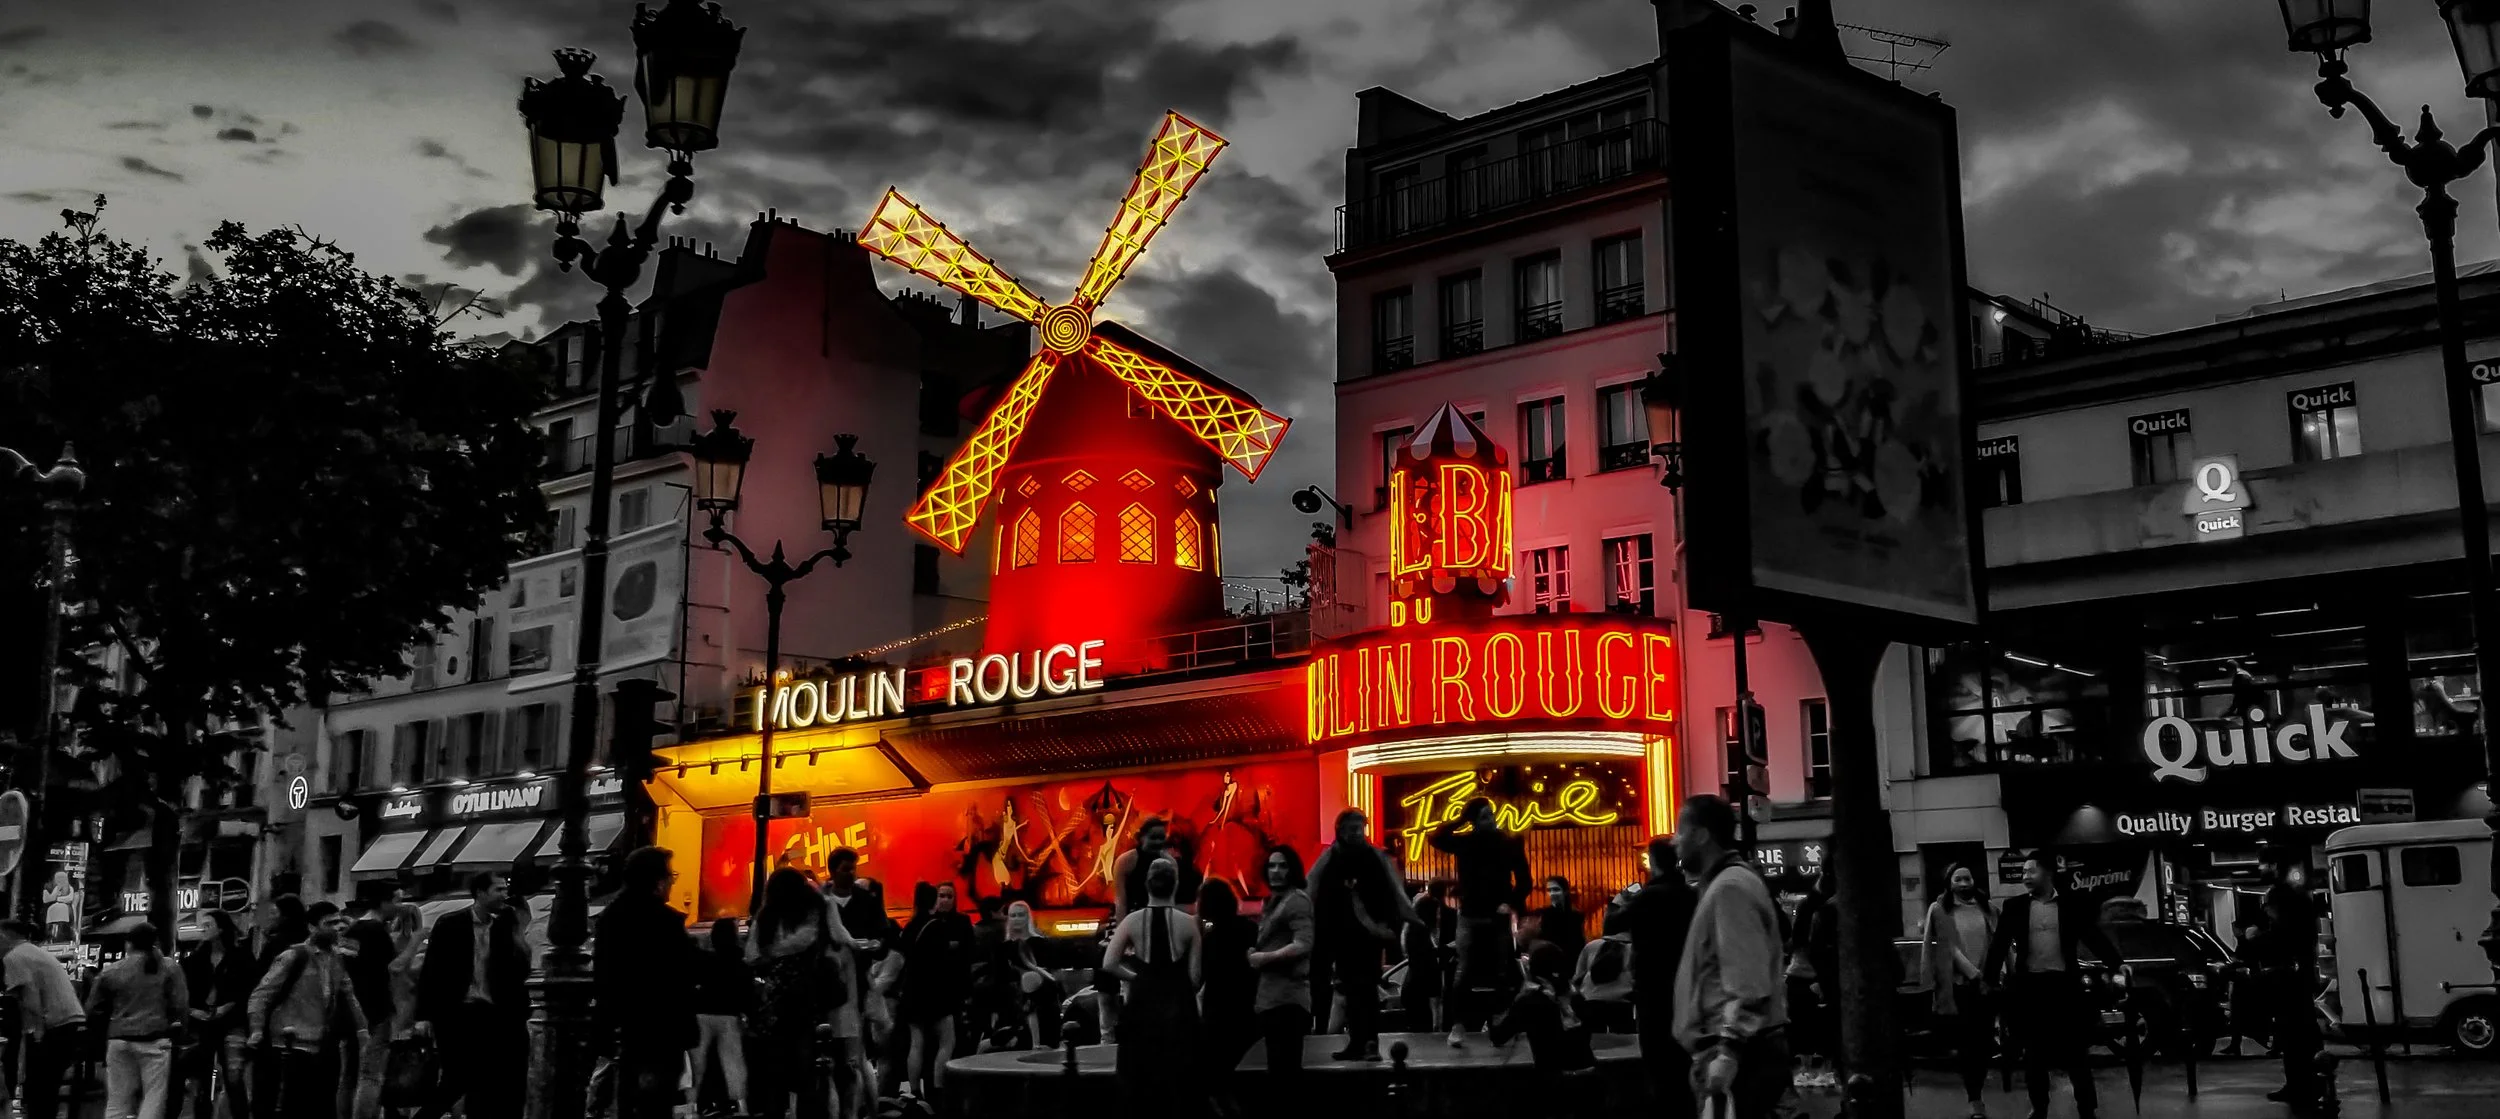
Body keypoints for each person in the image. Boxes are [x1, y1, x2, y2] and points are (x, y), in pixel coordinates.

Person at [1670, 796, 1788, 1119]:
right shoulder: (1726, 885)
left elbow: (1748, 982)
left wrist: (1728, 1052)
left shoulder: (1729, 889)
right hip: (1737, 1053)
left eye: (1681, 830)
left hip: (1738, 1058)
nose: (1675, 840)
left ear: (1702, 835)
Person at [1983, 853, 2121, 1119]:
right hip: (2031, 989)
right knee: (2034, 1054)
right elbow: (1999, 944)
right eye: (2023, 872)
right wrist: (1989, 980)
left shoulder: (2070, 905)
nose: (2025, 877)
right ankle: (2039, 1107)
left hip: (2064, 988)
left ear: (2048, 873)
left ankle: (2087, 1108)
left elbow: (2093, 937)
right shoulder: (2015, 906)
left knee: (2076, 1052)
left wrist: (2117, 963)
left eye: (2031, 871)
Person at [411, 873, 529, 1119]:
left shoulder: (503, 926)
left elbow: (519, 969)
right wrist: (423, 1016)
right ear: (480, 893)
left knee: (485, 1082)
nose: (504, 895)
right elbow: (432, 971)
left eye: (505, 889)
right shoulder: (451, 924)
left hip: (493, 1013)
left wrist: (516, 929)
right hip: (457, 1013)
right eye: (498, 890)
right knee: (456, 1078)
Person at [595, 847, 699, 1119]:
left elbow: (604, 976)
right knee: (656, 1101)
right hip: (662, 1027)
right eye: (671, 876)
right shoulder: (665, 922)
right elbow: (685, 971)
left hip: (628, 1026)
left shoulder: (611, 918)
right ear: (658, 882)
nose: (672, 883)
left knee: (632, 1098)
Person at [1308, 808, 1417, 1060]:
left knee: (1365, 990)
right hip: (1342, 935)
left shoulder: (1372, 858)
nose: (1357, 833)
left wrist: (1387, 926)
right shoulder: (1332, 858)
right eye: (1352, 829)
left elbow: (1390, 894)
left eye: (1359, 828)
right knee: (1350, 990)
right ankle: (1358, 1042)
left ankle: (1368, 1042)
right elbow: (1318, 892)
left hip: (1368, 936)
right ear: (1341, 831)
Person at [248, 903, 369, 1119]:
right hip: (292, 1042)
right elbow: (262, 994)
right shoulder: (294, 956)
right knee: (293, 1105)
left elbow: (348, 993)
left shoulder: (336, 958)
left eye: (339, 921)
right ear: (312, 927)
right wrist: (256, 1029)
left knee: (322, 1105)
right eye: (329, 923)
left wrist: (362, 1030)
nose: (336, 927)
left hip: (322, 1042)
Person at [1606, 835, 1697, 1119]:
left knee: (1657, 1059)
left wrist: (1619, 901)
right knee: (1682, 1058)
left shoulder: (1648, 896)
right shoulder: (1691, 894)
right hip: (1686, 984)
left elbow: (1611, 925)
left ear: (1653, 861)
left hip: (1652, 986)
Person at [748, 867, 851, 1119]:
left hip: (774, 1001)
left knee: (774, 1071)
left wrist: (772, 954)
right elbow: (817, 938)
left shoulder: (766, 918)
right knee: (807, 1069)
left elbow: (751, 955)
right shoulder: (812, 913)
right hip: (806, 998)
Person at [1430, 798, 1531, 1045]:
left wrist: (1510, 902)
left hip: (1490, 915)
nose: (1491, 820)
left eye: (1491, 815)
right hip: (1473, 914)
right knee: (1466, 971)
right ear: (1474, 821)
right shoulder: (1468, 842)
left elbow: (1525, 881)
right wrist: (1462, 819)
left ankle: (1497, 1020)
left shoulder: (1506, 843)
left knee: (1500, 969)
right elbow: (1436, 838)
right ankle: (1460, 1024)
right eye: (1485, 816)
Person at [1102, 857, 1202, 1107]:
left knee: (1141, 1079)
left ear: (1147, 885)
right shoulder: (1190, 923)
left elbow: (1109, 963)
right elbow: (1195, 976)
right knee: (1179, 1079)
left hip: (1142, 1006)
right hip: (1179, 1009)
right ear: (1175, 884)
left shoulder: (1131, 921)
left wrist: (1139, 978)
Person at [89, 922, 191, 1119]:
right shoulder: (168, 967)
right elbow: (180, 1004)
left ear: (129, 944)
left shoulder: (112, 970)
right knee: (153, 1098)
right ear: (155, 943)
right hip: (154, 1039)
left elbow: (93, 1008)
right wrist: (181, 1032)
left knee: (117, 1101)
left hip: (118, 1038)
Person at [1921, 864, 1999, 1119]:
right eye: (1958, 879)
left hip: (1987, 987)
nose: (1964, 883)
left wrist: (1995, 976)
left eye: (1968, 878)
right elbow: (1945, 947)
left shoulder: (1988, 908)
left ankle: (1978, 1088)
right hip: (1960, 987)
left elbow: (1997, 944)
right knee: (1968, 1046)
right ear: (1949, 883)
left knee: (1984, 1045)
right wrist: (1973, 974)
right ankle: (1975, 1099)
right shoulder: (1940, 909)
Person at [1489, 943, 1598, 1116]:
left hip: (1552, 1083)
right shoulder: (1576, 996)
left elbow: (1499, 1036)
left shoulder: (1530, 1000)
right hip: (1590, 1077)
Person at [2, 918, 90, 1119]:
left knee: (38, 1090)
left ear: (4, 936)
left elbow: (30, 998)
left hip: (54, 1026)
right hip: (71, 1022)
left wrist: (35, 1034)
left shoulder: (14, 957)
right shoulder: (34, 952)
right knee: (47, 1089)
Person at [178, 909, 260, 1119]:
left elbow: (250, 988)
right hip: (203, 1023)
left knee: (234, 1076)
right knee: (202, 1078)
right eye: (202, 926)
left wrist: (229, 1005)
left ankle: (240, 1114)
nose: (203, 930)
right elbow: (183, 991)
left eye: (208, 925)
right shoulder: (195, 959)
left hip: (232, 1021)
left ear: (221, 928)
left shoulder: (240, 957)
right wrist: (193, 1011)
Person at [897, 881, 974, 1103]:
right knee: (947, 1041)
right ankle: (939, 1087)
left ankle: (914, 1090)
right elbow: (944, 961)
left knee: (916, 1043)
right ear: (933, 900)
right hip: (937, 992)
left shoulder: (910, 926)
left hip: (913, 992)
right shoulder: (938, 927)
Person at [2250, 882, 2324, 1108]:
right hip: (2299, 987)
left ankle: (2300, 1085)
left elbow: (2268, 946)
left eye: (2268, 906)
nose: (2266, 910)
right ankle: (2307, 1083)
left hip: (2290, 988)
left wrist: (2253, 937)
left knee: (2294, 1039)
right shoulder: (2303, 925)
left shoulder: (2286, 929)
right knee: (2301, 1037)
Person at [1247, 847, 1315, 1085]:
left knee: (1285, 1073)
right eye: (1272, 865)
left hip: (1288, 1001)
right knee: (1278, 1071)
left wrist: (1263, 958)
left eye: (1282, 865)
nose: (1276, 871)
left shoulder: (1296, 901)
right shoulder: (1275, 901)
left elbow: (1303, 944)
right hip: (1273, 999)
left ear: (1292, 870)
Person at [1196, 879, 1259, 1094]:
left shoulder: (1210, 940)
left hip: (1218, 1010)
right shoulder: (1251, 929)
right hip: (1247, 1005)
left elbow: (1200, 976)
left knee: (1215, 1073)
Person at [336, 901, 397, 1119]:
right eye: (397, 900)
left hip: (350, 1011)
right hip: (376, 1009)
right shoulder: (377, 930)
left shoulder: (352, 932)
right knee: (371, 1074)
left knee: (349, 1074)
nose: (399, 906)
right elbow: (395, 967)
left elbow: (344, 967)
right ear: (385, 901)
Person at [689, 918, 754, 1118]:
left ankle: (691, 1108)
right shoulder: (741, 964)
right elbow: (747, 995)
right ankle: (741, 1106)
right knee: (733, 1064)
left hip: (702, 1014)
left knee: (696, 1067)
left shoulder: (704, 960)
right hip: (729, 1016)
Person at [1783, 870, 1839, 1064]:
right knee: (1820, 1046)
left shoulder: (1810, 906)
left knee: (1802, 1044)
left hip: (1800, 978)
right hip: (1815, 980)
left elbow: (1794, 942)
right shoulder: (1825, 908)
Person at [1111, 818, 1203, 924]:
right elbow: (1120, 902)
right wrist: (1124, 928)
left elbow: (1185, 906)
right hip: (1131, 918)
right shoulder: (1126, 861)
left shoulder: (1182, 869)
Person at [1400, 882, 1449, 1032]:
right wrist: (1447, 949)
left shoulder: (1414, 932)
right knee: (1422, 1032)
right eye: (1437, 913)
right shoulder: (1421, 936)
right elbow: (1428, 965)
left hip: (1414, 991)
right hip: (1419, 995)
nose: (1439, 916)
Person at [1569, 927, 1636, 1035]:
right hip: (1622, 1004)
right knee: (1625, 1038)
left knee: (1592, 1037)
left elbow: (1577, 977)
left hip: (1590, 1000)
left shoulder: (1591, 945)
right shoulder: (1635, 949)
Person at [1523, 876, 1586, 964]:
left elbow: (1580, 941)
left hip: (1572, 960)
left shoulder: (1576, 916)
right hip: (1550, 961)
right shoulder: (1542, 914)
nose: (1552, 893)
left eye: (1556, 890)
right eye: (1549, 890)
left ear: (1565, 891)